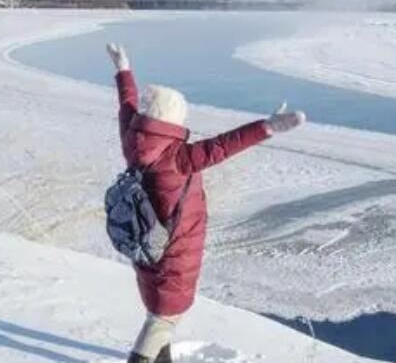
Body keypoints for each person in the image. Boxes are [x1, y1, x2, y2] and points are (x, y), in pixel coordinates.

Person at [106, 43, 306, 363]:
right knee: (164, 316)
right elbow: (222, 146)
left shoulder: (133, 140)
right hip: (175, 250)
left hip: (147, 245)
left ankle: (162, 358)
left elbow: (127, 105)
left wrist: (123, 69)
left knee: (159, 307)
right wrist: (266, 127)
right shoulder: (178, 158)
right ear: (173, 120)